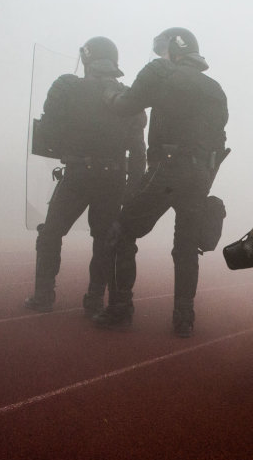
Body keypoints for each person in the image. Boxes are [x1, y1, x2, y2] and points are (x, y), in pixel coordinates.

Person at [96, 28, 228, 337]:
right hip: (200, 175)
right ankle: (184, 317)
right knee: (185, 247)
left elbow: (126, 105)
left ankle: (119, 308)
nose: (160, 56)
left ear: (173, 50)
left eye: (163, 50)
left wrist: (109, 94)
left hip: (166, 170)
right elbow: (218, 140)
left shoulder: (160, 72)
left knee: (120, 231)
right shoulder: (215, 87)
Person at [24, 37, 146, 315]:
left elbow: (50, 134)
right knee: (105, 240)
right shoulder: (127, 97)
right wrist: (133, 190)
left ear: (89, 59)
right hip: (112, 179)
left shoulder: (68, 88)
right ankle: (94, 299)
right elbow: (139, 152)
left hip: (77, 175)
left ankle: (44, 296)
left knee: (50, 234)